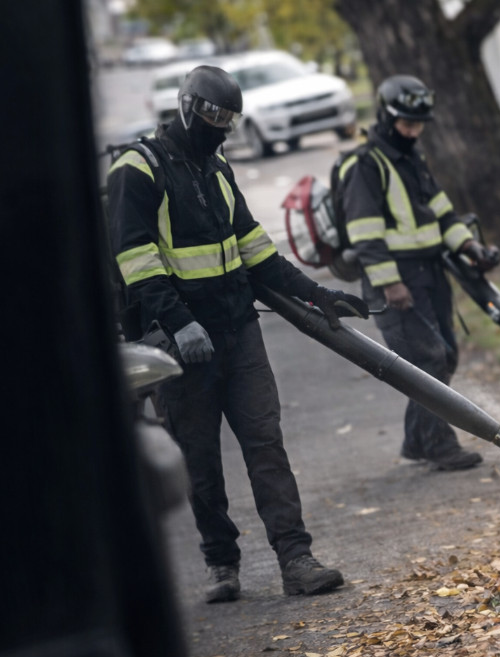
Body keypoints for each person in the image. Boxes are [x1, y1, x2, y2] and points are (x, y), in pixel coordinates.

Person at [107, 65, 368, 603]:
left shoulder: (216, 166)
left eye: (229, 120)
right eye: (214, 118)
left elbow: (257, 251)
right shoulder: (138, 169)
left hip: (237, 332)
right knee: (198, 461)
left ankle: (296, 559)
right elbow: (135, 259)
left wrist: (319, 295)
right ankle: (221, 564)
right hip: (177, 346)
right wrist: (180, 323)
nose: (221, 128)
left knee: (266, 445)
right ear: (187, 109)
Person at [335, 74, 500, 471]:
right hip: (394, 280)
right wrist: (389, 281)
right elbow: (364, 232)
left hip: (429, 271)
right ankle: (440, 446)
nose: (413, 131)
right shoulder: (366, 165)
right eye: (406, 124)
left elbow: (441, 212)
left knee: (444, 356)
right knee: (427, 361)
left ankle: (417, 441)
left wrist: (468, 244)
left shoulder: (413, 159)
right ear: (386, 117)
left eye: (418, 124)